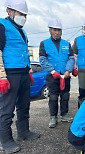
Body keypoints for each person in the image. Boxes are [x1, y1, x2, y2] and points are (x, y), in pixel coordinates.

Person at [0, 0, 40, 153]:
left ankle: (24, 132)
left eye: (24, 14)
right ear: (9, 11)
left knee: (24, 104)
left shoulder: (22, 31)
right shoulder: (2, 25)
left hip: (23, 72)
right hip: (10, 73)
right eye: (20, 13)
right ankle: (6, 140)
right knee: (6, 108)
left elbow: (24, 52)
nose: (23, 16)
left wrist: (29, 71)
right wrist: (2, 76)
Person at [39, 18, 75, 128]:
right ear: (50, 30)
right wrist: (52, 71)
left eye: (59, 30)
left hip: (65, 75)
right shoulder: (44, 44)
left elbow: (71, 58)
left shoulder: (66, 43)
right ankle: (53, 117)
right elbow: (43, 59)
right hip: (52, 76)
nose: (57, 32)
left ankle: (64, 115)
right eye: (55, 30)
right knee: (53, 97)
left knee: (65, 96)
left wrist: (68, 70)